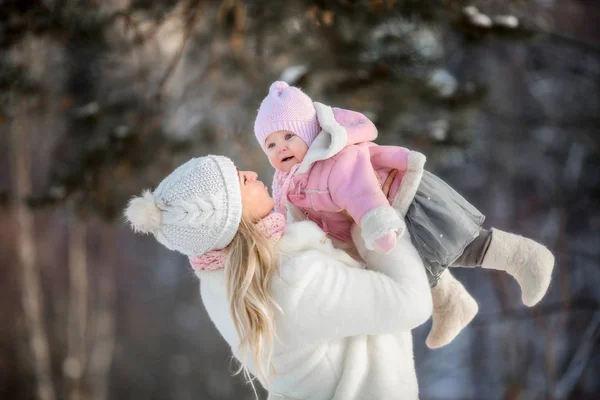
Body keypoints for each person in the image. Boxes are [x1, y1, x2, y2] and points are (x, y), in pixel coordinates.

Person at [253, 81, 555, 348]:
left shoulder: (336, 159)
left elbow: (361, 193)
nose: (281, 148)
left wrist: (377, 225)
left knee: (455, 245)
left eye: (288, 136)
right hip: (370, 228)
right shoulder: (289, 180)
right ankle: (452, 305)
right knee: (417, 267)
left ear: (309, 131)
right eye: (271, 144)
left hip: (399, 204)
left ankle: (525, 256)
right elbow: (288, 213)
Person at [124, 155, 432, 400]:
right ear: (232, 218)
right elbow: (412, 301)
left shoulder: (220, 282)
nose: (252, 174)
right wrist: (370, 220)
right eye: (239, 180)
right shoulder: (293, 281)